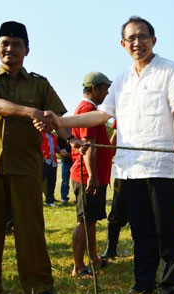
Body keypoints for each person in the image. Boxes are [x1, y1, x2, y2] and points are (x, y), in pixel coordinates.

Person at [45, 16, 174, 294]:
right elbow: (101, 116)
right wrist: (61, 121)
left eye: (143, 36)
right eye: (131, 39)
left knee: (167, 230)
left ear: (154, 39)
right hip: (129, 167)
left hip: (162, 164)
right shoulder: (122, 80)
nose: (137, 43)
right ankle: (143, 286)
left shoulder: (170, 71)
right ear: (123, 45)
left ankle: (169, 290)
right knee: (141, 232)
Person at [0, 21, 84, 294]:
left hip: (26, 167)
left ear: (27, 50)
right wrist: (31, 111)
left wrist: (71, 140)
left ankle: (40, 289)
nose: (10, 49)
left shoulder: (39, 83)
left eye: (17, 44)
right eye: (5, 43)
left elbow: (55, 120)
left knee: (30, 229)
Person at [70, 72, 113, 278]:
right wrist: (93, 177)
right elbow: (89, 147)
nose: (107, 93)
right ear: (95, 88)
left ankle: (93, 258)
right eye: (105, 89)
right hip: (87, 176)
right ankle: (78, 266)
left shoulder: (90, 109)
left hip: (93, 175)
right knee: (84, 220)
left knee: (91, 219)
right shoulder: (87, 109)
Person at [99, 120, 129, 262]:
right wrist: (106, 158)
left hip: (148, 170)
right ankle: (111, 249)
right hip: (124, 170)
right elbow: (115, 137)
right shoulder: (122, 109)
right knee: (117, 210)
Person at [40, 128, 59, 206]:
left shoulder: (53, 136)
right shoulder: (40, 135)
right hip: (44, 161)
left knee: (52, 181)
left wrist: (60, 151)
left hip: (53, 162)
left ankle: (50, 200)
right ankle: (36, 199)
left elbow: (56, 147)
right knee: (40, 181)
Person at [57, 136, 72, 204]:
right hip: (66, 161)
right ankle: (64, 198)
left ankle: (80, 196)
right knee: (65, 181)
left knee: (80, 180)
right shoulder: (60, 137)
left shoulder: (75, 134)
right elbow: (59, 150)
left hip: (76, 160)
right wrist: (63, 153)